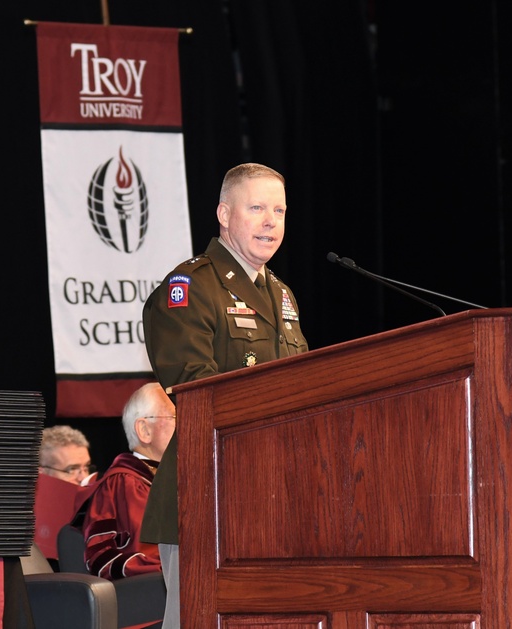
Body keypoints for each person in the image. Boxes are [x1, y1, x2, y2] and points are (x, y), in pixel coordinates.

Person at [141, 162, 310, 628]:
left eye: (279, 209)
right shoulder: (191, 286)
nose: (271, 221)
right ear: (223, 213)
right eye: (256, 208)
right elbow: (195, 387)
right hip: (209, 492)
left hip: (278, 493)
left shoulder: (282, 295)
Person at [74, 382, 175, 580]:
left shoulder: (179, 478)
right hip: (147, 596)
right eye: (175, 416)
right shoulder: (124, 483)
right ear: (144, 430)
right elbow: (102, 558)